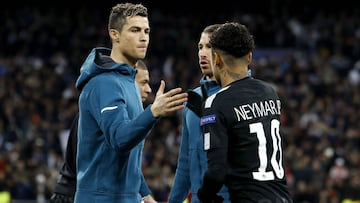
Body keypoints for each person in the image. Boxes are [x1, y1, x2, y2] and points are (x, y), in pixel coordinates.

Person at [74, 2, 188, 202]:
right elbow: (120, 139)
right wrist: (152, 112)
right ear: (114, 34)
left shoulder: (128, 83)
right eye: (135, 30)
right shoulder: (104, 83)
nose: (144, 37)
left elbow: (128, 160)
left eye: (146, 31)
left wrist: (144, 196)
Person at [197, 22, 293, 203]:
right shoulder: (270, 92)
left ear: (216, 59)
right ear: (249, 57)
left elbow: (216, 172)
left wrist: (204, 196)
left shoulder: (216, 103)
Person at [49, 60, 156, 203]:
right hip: (72, 193)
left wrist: (144, 194)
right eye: (143, 83)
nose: (148, 89)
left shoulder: (124, 116)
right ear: (127, 84)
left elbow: (127, 163)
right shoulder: (100, 112)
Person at [168, 24, 230, 203]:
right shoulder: (192, 99)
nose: (202, 53)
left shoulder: (239, 94)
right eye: (200, 47)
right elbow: (184, 163)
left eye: (209, 47)